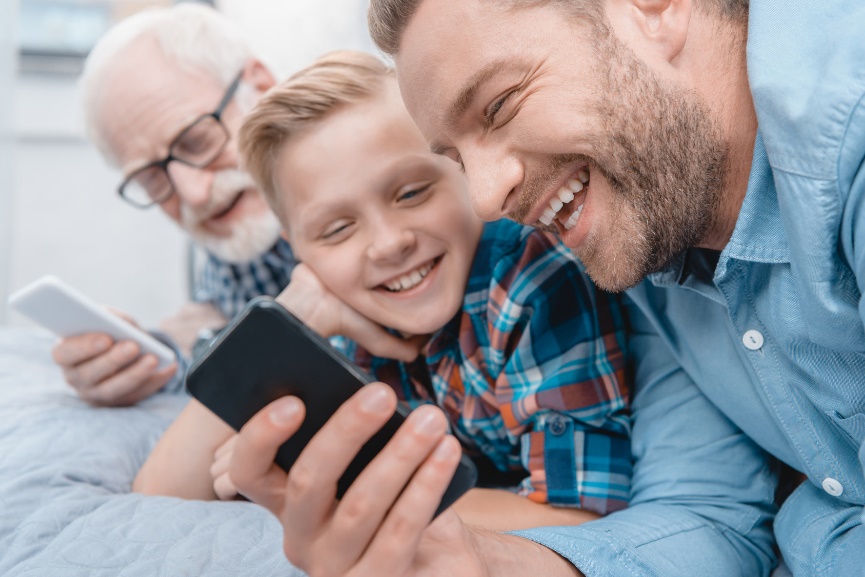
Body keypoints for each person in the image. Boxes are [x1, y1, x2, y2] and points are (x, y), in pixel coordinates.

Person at [227, 0, 865, 576]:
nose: (484, 200)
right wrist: (474, 560)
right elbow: (711, 514)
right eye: (453, 160)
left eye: (499, 105)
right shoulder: (645, 232)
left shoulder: (845, 130)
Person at [133, 51, 632, 534]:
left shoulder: (529, 276)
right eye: (336, 230)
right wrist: (293, 314)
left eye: (412, 193)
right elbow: (156, 500)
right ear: (298, 252)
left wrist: (339, 485)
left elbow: (577, 518)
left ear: (460, 169)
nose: (390, 244)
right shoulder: (333, 317)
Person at [50, 4, 299, 406]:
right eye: (154, 178)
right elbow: (212, 329)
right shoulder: (238, 227)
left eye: (197, 141)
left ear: (262, 87)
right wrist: (143, 361)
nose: (193, 194)